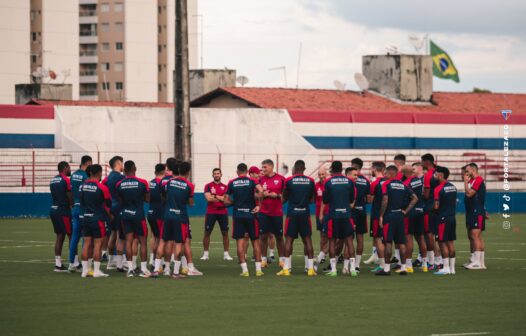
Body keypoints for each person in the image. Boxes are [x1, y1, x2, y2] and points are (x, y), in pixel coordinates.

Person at [153, 161, 195, 278]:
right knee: (178, 243)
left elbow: (162, 196)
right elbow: (191, 203)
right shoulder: (189, 186)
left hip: (167, 216)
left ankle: (156, 269)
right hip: (180, 218)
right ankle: (175, 272)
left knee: (162, 241)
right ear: (188, 172)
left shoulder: (169, 182)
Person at [223, 163, 264, 277]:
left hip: (238, 215)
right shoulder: (252, 181)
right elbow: (261, 191)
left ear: (237, 171)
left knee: (240, 243)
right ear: (247, 172)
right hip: (251, 215)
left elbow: (225, 200)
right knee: (255, 241)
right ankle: (258, 270)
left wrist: (234, 203)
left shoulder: (232, 182)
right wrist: (259, 205)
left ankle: (245, 270)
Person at [376, 166, 418, 276]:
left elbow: (385, 200)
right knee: (401, 243)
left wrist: (381, 215)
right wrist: (406, 211)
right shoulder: (403, 185)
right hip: (400, 215)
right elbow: (415, 198)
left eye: (386, 173)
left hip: (389, 215)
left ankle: (386, 269)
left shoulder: (386, 184)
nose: (384, 175)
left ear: (390, 173)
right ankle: (404, 268)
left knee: (388, 242)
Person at [280, 160, 316, 276]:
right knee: (307, 240)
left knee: (289, 240)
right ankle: (310, 269)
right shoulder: (311, 181)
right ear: (304, 169)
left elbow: (284, 198)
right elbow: (312, 199)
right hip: (305, 214)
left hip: (292, 214)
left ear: (294, 168)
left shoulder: (289, 180)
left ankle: (286, 268)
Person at [322, 161, 358, 277]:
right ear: (342, 169)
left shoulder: (328, 181)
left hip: (333, 215)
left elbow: (325, 200)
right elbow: (352, 199)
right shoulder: (349, 181)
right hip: (346, 215)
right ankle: (352, 269)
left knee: (332, 241)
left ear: (332, 169)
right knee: (349, 241)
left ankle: (333, 270)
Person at [116, 160, 150, 278]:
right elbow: (147, 199)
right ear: (135, 169)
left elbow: (120, 200)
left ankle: (130, 269)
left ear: (124, 171)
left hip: (125, 215)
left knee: (128, 242)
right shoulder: (142, 183)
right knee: (143, 242)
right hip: (138, 216)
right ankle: (144, 268)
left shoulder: (119, 184)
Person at [79, 164, 111, 278]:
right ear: (99, 173)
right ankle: (96, 271)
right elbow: (108, 204)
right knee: (98, 244)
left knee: (86, 243)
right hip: (98, 218)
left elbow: (81, 202)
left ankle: (85, 271)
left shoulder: (83, 186)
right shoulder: (102, 187)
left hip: (86, 217)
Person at [201, 168, 233, 261]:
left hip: (222, 212)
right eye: (215, 174)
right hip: (211, 212)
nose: (216, 175)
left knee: (225, 233)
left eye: (218, 173)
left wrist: (214, 196)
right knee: (207, 232)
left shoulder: (226, 186)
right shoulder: (208, 186)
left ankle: (226, 254)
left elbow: (226, 200)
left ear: (221, 174)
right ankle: (205, 254)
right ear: (212, 175)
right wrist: (220, 197)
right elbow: (209, 199)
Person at [258, 159, 286, 268]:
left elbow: (285, 196)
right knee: (263, 236)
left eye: (265, 167)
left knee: (279, 237)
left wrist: (277, 195)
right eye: (262, 167)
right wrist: (262, 194)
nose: (263, 169)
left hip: (277, 213)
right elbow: (256, 195)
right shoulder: (260, 180)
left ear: (271, 167)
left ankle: (282, 260)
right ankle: (263, 260)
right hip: (264, 213)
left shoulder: (281, 179)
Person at [401, 164, 427, 273]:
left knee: (408, 238)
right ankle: (425, 264)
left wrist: (404, 210)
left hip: (410, 213)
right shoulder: (419, 180)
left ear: (404, 173)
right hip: (420, 211)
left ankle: (408, 265)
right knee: (421, 238)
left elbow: (406, 199)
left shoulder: (405, 184)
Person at [432, 166, 458, 275]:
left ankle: (445, 268)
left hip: (442, 218)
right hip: (452, 217)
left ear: (441, 175)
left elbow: (436, 206)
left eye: (436, 173)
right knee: (450, 242)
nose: (435, 175)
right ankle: (452, 269)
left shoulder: (438, 189)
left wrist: (431, 209)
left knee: (442, 243)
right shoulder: (453, 187)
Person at [68, 155, 92, 271]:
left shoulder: (73, 175)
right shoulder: (86, 176)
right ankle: (85, 264)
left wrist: (72, 204)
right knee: (86, 237)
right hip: (83, 208)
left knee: (74, 236)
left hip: (74, 208)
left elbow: (71, 192)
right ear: (87, 164)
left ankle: (71, 263)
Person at [102, 155, 125, 271]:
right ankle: (122, 263)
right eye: (122, 163)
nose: (123, 165)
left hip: (111, 207)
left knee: (112, 234)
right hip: (120, 208)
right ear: (118, 164)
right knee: (121, 236)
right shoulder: (120, 178)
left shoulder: (109, 177)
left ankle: (111, 262)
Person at [49, 161, 73, 272]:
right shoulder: (66, 180)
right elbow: (69, 195)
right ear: (65, 168)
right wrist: (73, 205)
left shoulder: (53, 180)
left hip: (54, 209)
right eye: (69, 167)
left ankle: (58, 264)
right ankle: (74, 263)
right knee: (71, 236)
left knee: (60, 236)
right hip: (63, 211)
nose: (70, 169)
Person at [463, 163, 487, 270]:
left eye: (467, 171)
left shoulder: (478, 180)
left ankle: (477, 262)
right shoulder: (473, 181)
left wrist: (465, 182)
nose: (466, 173)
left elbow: (469, 194)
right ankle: (479, 262)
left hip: (476, 211)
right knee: (473, 236)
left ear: (473, 170)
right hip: (473, 211)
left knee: (475, 235)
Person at [350, 158, 370, 272]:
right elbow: (368, 199)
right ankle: (357, 265)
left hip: (351, 212)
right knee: (360, 239)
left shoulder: (350, 179)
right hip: (362, 211)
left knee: (348, 239)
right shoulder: (366, 181)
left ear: (353, 166)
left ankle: (348, 264)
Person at [366, 161, 387, 271]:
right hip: (388, 213)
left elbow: (370, 200)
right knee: (386, 239)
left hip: (377, 214)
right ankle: (385, 263)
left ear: (374, 169)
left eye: (371, 168)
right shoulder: (388, 181)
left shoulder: (374, 183)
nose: (371, 170)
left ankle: (382, 265)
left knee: (378, 239)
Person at [421, 153, 441, 270]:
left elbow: (427, 194)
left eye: (422, 162)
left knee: (428, 234)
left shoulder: (428, 175)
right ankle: (440, 260)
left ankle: (433, 261)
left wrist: (422, 194)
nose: (422, 164)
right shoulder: (439, 171)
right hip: (440, 206)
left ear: (427, 162)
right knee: (438, 235)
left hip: (430, 206)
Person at [147, 163, 166, 267]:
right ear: (164, 171)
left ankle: (153, 260)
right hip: (160, 213)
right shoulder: (162, 183)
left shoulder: (150, 183)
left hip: (151, 212)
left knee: (154, 237)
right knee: (161, 239)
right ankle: (159, 262)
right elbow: (163, 197)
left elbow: (147, 197)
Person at [315, 167, 329, 266]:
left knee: (331, 236)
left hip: (329, 213)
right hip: (319, 214)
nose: (321, 176)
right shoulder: (316, 185)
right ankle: (322, 255)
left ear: (326, 174)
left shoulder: (329, 184)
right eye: (319, 174)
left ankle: (327, 254)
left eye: (323, 174)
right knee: (322, 236)